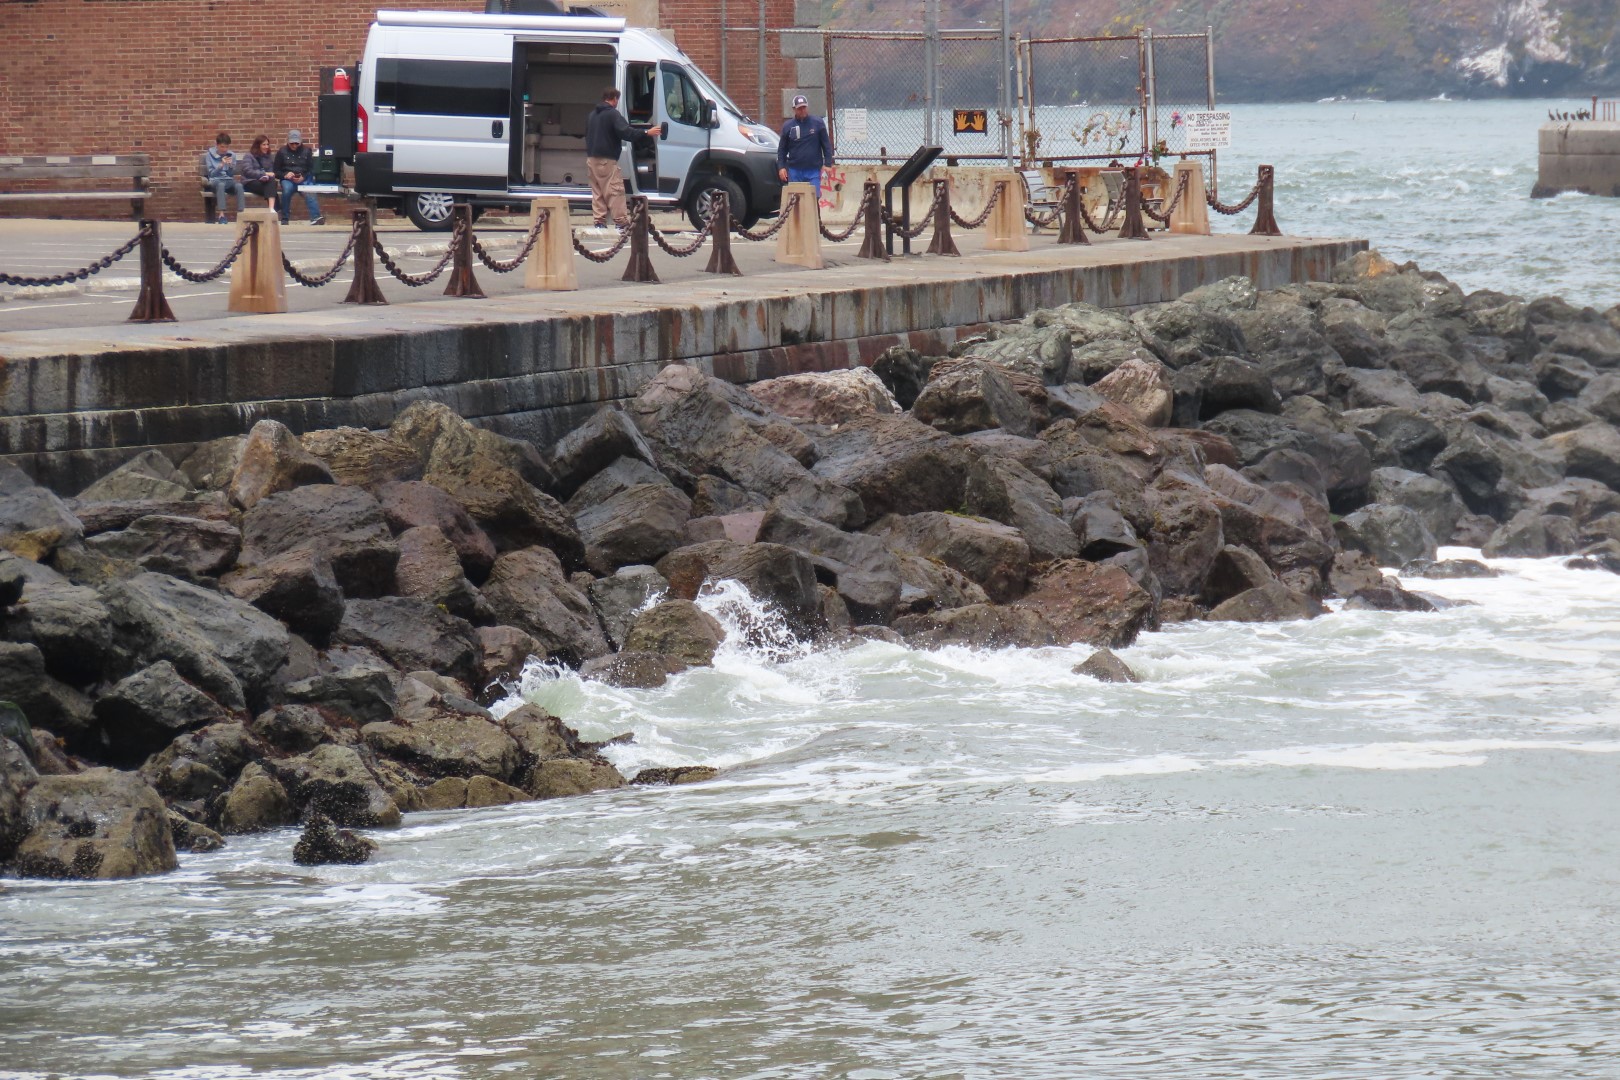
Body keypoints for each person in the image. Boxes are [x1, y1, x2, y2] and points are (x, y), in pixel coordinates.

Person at [585, 87, 662, 228]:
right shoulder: (613, 114)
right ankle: (621, 222)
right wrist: (646, 132)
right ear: (614, 99)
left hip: (592, 158)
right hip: (607, 159)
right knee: (615, 191)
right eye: (617, 100)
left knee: (598, 192)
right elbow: (626, 132)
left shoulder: (592, 115)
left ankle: (599, 222)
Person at [777, 95, 833, 201]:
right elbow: (782, 149)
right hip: (795, 170)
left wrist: (828, 164)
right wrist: (781, 167)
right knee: (795, 199)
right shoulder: (788, 126)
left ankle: (816, 217)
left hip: (813, 170)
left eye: (804, 107)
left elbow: (826, 145)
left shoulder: (818, 123)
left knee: (813, 198)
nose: (802, 110)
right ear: (794, 109)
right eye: (799, 108)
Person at [274, 130, 324, 226]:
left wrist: (303, 177)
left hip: (303, 178)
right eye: (292, 143)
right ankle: (285, 218)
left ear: (300, 141)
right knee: (287, 190)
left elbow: (311, 168)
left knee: (309, 190)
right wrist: (285, 175)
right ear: (287, 141)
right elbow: (276, 171)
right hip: (287, 179)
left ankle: (316, 217)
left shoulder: (307, 151)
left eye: (296, 143)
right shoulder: (281, 152)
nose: (294, 146)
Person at [203, 132, 244, 224]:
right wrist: (221, 165)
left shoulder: (231, 155)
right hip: (215, 181)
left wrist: (230, 166)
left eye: (226, 147)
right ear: (217, 145)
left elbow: (230, 174)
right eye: (222, 147)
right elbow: (211, 174)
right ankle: (222, 215)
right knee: (220, 185)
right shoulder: (209, 155)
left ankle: (241, 214)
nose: (224, 149)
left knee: (239, 186)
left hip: (228, 180)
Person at [239, 134, 279, 213]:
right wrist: (263, 174)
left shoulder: (268, 157)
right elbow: (248, 171)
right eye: (264, 145)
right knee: (271, 188)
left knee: (271, 184)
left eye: (267, 144)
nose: (266, 147)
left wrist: (268, 176)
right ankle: (274, 210)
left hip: (264, 183)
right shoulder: (249, 156)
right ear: (258, 145)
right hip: (249, 182)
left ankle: (272, 209)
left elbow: (271, 172)